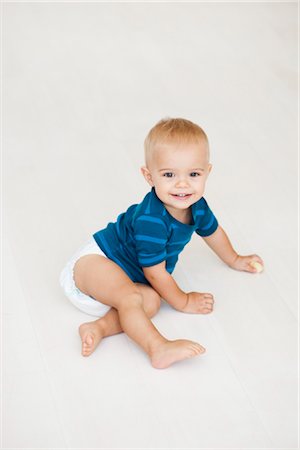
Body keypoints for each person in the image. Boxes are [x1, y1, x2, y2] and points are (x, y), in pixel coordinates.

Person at [60, 117, 264, 369]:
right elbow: (155, 274)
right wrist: (183, 300)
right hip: (94, 264)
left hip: (125, 280)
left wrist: (234, 258)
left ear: (207, 172)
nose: (182, 184)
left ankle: (100, 327)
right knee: (131, 296)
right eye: (169, 174)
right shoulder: (151, 219)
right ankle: (158, 348)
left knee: (151, 302)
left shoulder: (196, 205)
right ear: (149, 176)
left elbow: (213, 232)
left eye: (193, 174)